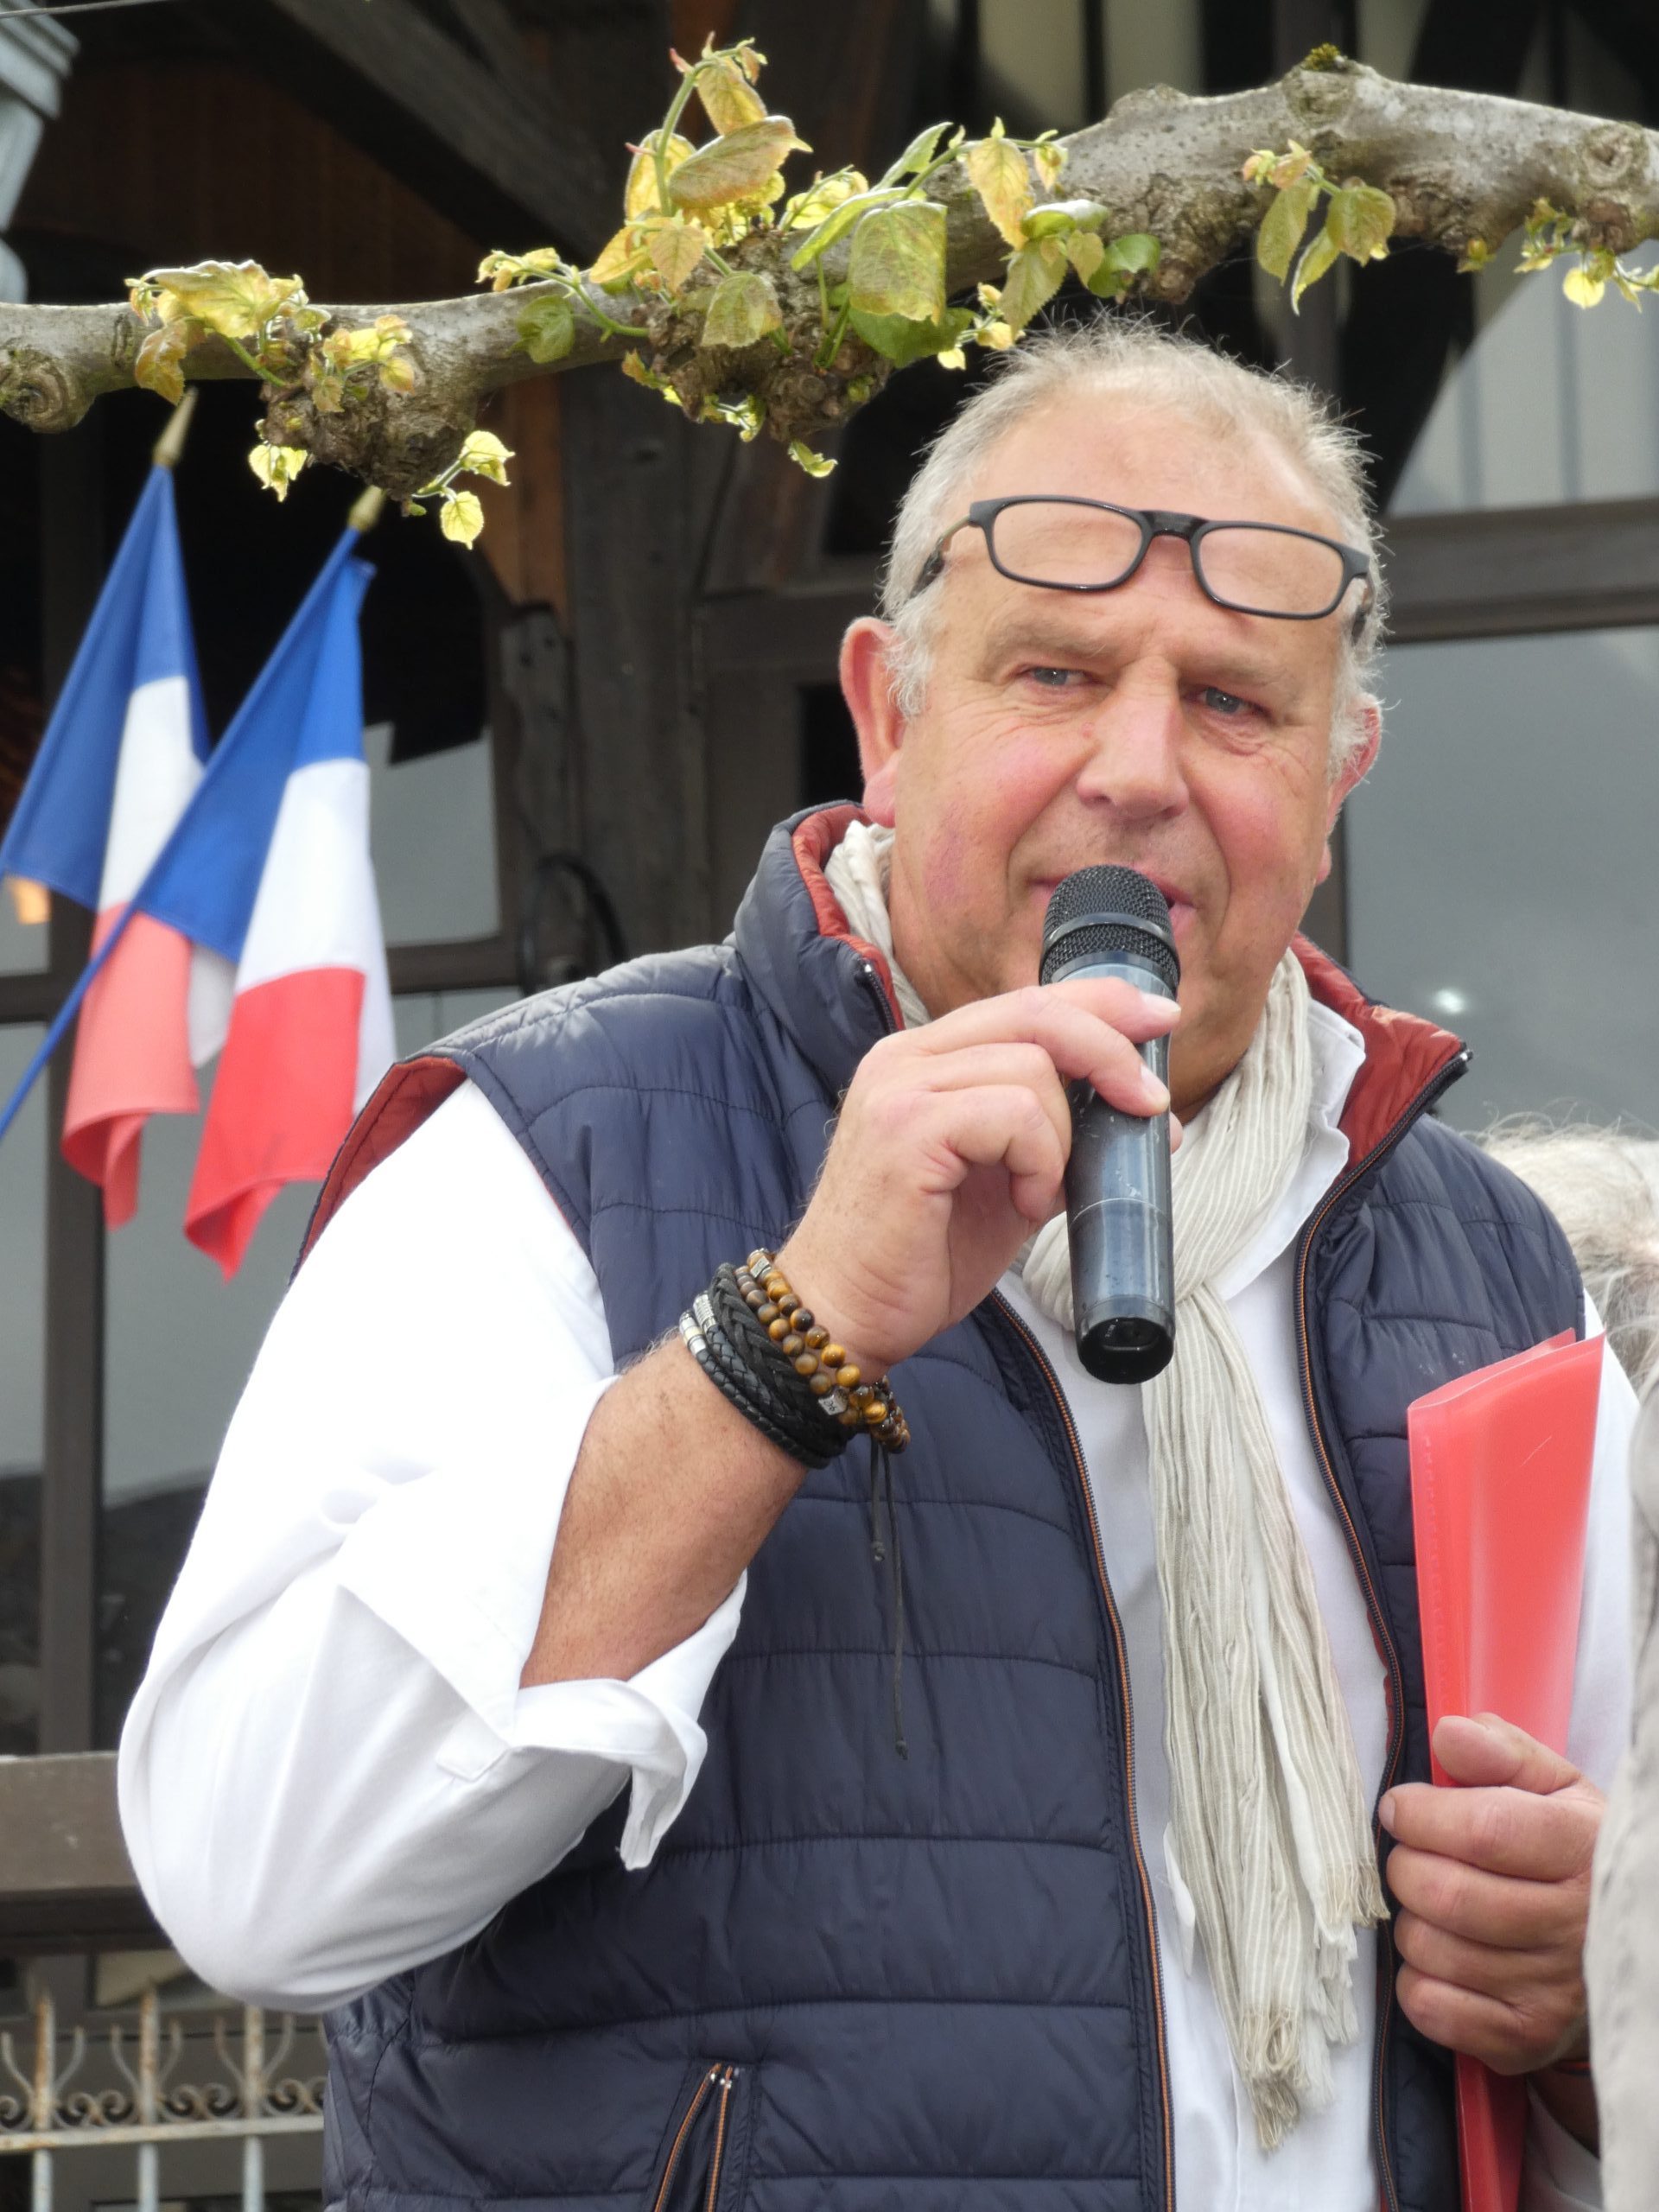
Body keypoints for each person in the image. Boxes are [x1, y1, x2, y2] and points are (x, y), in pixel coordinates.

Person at [119, 321, 1635, 2212]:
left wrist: (1591, 1997)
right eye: (1056, 673)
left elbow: (1599, 1972)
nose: (1140, 769)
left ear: (1340, 783)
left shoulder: (1492, 1272)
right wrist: (788, 1334)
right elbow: (255, 1882)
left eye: (1237, 703)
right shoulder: (546, 1149)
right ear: (888, 717)